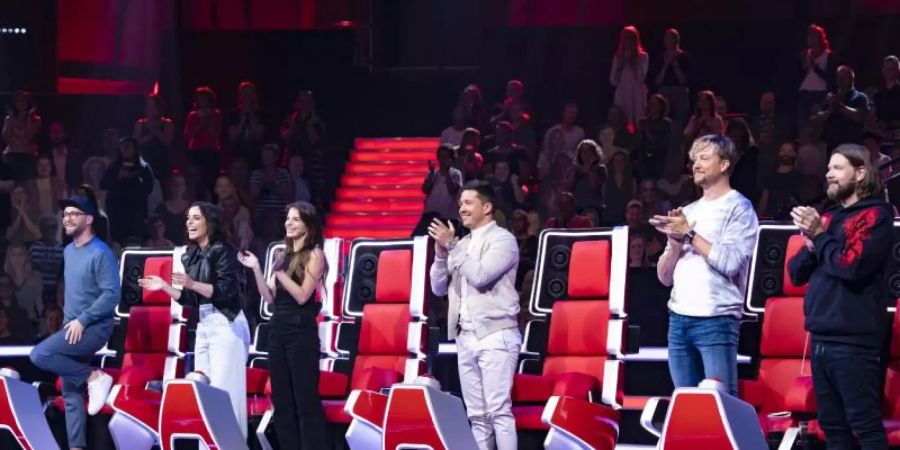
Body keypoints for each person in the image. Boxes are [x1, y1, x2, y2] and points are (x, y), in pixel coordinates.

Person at [788, 143, 892, 449]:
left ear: (860, 173)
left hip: (854, 343)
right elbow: (796, 275)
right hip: (821, 339)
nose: (828, 174)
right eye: (828, 168)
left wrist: (820, 236)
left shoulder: (876, 216)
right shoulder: (830, 218)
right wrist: (811, 245)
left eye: (837, 168)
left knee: (864, 425)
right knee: (832, 427)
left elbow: (852, 266)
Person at [652, 135, 758, 396]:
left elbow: (732, 263)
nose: (695, 165)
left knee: (722, 408)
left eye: (703, 158)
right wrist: (675, 243)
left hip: (716, 320)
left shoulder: (739, 207)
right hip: (678, 320)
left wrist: (689, 234)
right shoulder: (688, 211)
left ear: (723, 165)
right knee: (686, 408)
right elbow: (665, 278)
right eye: (694, 159)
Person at [138, 202, 250, 437]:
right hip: (204, 324)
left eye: (196, 218)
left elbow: (226, 291)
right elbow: (189, 299)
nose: (189, 222)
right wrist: (165, 287)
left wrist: (192, 283)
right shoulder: (192, 255)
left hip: (226, 324)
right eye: (188, 218)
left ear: (209, 222)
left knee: (224, 393)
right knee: (203, 392)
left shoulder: (224, 250)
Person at [429, 180, 521, 450]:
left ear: (488, 207)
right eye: (461, 204)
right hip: (465, 338)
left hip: (496, 335)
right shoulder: (462, 243)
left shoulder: (503, 240)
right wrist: (439, 256)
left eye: (469, 203)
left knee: (498, 412)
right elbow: (436, 289)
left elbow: (480, 276)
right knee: (477, 416)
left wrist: (453, 247)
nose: (462, 209)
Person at [30, 195, 120, 450]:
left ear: (89, 219)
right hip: (71, 327)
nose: (67, 218)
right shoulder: (68, 251)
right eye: (65, 214)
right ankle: (77, 447)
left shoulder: (101, 253)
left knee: (40, 354)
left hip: (94, 328)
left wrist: (83, 320)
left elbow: (111, 294)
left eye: (73, 214)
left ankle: (95, 377)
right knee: (70, 392)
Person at [237, 202, 327, 450]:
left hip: (301, 332)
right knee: (282, 402)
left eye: (295, 219)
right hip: (278, 331)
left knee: (305, 401)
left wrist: (279, 273)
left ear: (307, 225)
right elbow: (269, 297)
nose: (289, 223)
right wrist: (257, 268)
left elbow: (302, 295)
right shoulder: (282, 255)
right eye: (288, 218)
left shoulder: (315, 254)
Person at [100, 137, 154, 243]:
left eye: (129, 146)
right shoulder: (114, 167)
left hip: (136, 214)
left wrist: (137, 178)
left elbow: (150, 188)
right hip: (117, 214)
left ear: (135, 149)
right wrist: (118, 178)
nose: (126, 149)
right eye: (123, 146)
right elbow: (103, 184)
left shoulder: (143, 167)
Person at [814, 66, 868, 152]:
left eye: (843, 77)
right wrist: (831, 108)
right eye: (838, 77)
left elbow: (859, 116)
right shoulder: (831, 96)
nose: (840, 80)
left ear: (852, 78)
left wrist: (840, 106)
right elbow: (819, 118)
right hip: (832, 145)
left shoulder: (860, 97)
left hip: (851, 144)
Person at [610, 25, 649, 127]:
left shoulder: (642, 57)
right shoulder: (618, 57)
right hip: (622, 93)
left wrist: (632, 62)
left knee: (637, 120)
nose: (627, 42)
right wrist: (622, 64)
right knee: (623, 121)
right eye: (625, 38)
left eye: (630, 38)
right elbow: (613, 81)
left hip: (636, 94)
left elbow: (641, 78)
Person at [653, 28, 693, 125]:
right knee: (662, 120)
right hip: (664, 91)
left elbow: (684, 81)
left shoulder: (686, 57)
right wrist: (666, 65)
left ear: (677, 40)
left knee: (680, 121)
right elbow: (657, 82)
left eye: (672, 38)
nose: (669, 41)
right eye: (667, 38)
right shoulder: (660, 58)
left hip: (680, 91)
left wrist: (675, 65)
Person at [134, 94, 174, 183]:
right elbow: (136, 142)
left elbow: (168, 141)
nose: (149, 108)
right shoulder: (140, 123)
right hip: (145, 160)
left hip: (162, 162)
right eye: (148, 105)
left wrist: (156, 130)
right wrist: (150, 135)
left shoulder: (167, 123)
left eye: (152, 105)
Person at [2, 90, 42, 180]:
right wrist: (11, 119)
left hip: (28, 156)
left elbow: (30, 136)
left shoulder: (35, 119)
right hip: (11, 154)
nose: (20, 103)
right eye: (18, 101)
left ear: (28, 102)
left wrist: (28, 117)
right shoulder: (9, 118)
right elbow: (5, 137)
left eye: (23, 100)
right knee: (11, 184)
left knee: (26, 183)